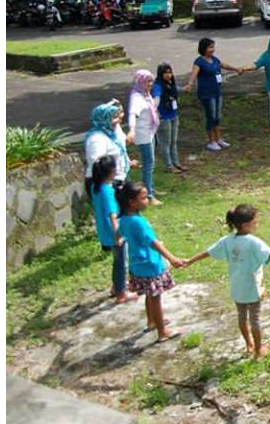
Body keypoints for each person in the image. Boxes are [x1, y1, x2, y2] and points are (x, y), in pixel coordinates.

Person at [181, 204, 270, 360]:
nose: (257, 224)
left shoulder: (227, 241)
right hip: (252, 288)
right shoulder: (253, 242)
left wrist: (190, 260)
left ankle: (249, 344)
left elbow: (208, 252)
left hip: (236, 288)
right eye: (255, 222)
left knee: (242, 317)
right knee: (255, 320)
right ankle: (258, 351)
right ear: (245, 225)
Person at [116, 181, 185, 342]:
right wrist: (172, 258)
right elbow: (153, 242)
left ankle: (152, 321)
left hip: (136, 264)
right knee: (155, 298)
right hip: (149, 264)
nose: (147, 200)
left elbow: (119, 234)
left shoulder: (124, 219)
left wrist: (118, 240)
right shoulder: (138, 222)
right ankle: (163, 332)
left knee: (149, 294)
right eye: (143, 198)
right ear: (132, 202)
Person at [90, 155, 138, 304]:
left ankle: (115, 287)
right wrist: (119, 235)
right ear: (111, 172)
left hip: (104, 230)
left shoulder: (95, 187)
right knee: (121, 263)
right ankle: (121, 293)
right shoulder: (107, 191)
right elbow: (112, 215)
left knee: (118, 260)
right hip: (114, 232)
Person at [183, 38, 244, 151]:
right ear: (204, 48)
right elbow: (194, 74)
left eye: (213, 47)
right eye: (210, 47)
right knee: (211, 116)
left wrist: (236, 69)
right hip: (206, 94)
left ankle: (219, 139)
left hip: (217, 93)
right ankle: (211, 141)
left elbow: (224, 65)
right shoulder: (199, 62)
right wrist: (190, 84)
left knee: (217, 116)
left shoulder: (215, 59)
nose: (212, 49)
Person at [127, 69, 162, 205]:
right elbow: (132, 114)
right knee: (148, 164)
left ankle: (150, 187)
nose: (150, 84)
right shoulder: (137, 97)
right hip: (143, 134)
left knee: (150, 163)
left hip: (150, 131)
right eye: (148, 81)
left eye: (151, 81)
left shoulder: (146, 94)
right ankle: (149, 195)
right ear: (140, 82)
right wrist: (132, 130)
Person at [153, 62, 184, 173]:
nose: (168, 75)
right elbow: (156, 98)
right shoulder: (158, 86)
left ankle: (176, 163)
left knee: (173, 141)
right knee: (165, 142)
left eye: (170, 72)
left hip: (173, 115)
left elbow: (176, 90)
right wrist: (155, 110)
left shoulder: (171, 83)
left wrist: (185, 88)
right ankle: (168, 166)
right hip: (164, 117)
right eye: (165, 73)